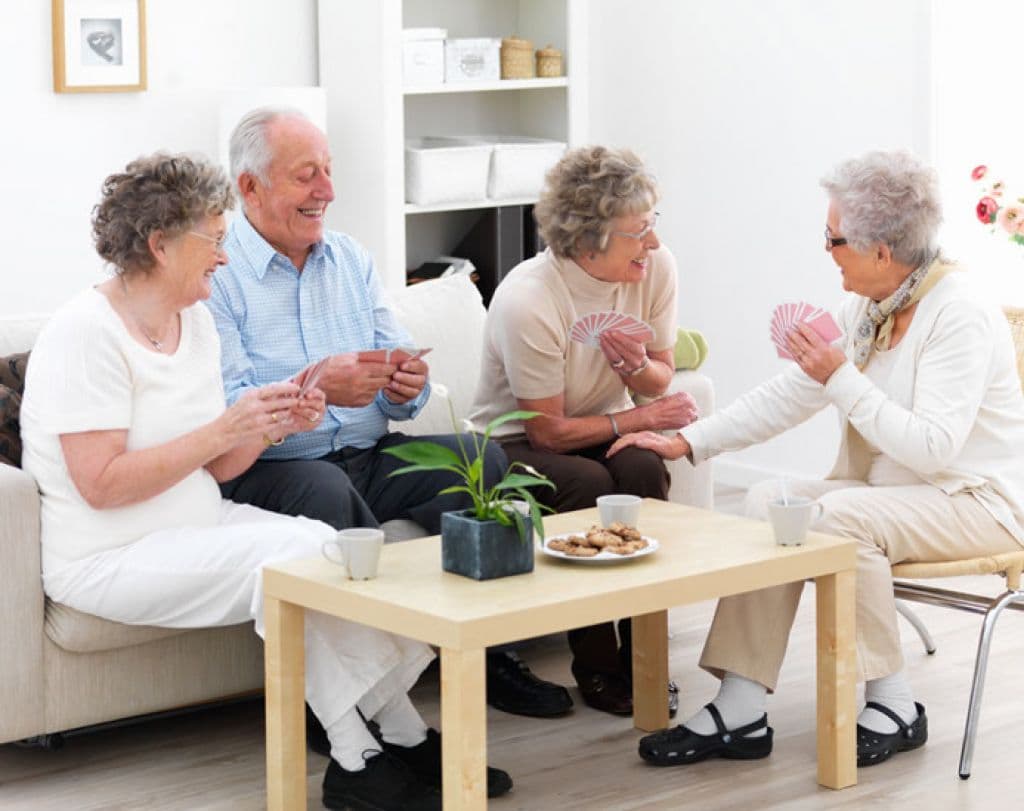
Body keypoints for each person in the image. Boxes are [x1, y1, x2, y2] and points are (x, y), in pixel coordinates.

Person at [19, 153, 511, 811]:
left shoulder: (192, 321)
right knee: (290, 558)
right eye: (214, 240)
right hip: (109, 554)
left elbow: (221, 469)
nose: (224, 258)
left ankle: (400, 729)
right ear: (161, 245)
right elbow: (102, 485)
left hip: (198, 523)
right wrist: (226, 429)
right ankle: (355, 757)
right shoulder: (84, 334)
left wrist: (273, 423)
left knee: (334, 550)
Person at [611, 150, 1024, 769]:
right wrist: (691, 441)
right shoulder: (869, 308)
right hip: (893, 496)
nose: (826, 250)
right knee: (764, 503)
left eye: (833, 240)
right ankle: (742, 705)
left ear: (882, 250)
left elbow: (933, 448)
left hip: (976, 500)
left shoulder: (958, 313)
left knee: (836, 517)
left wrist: (841, 378)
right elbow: (791, 393)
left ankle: (895, 701)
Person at [206, 106, 572, 720]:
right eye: (306, 175)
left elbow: (397, 372)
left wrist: (405, 384)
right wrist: (318, 385)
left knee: (481, 460)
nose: (327, 190)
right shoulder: (218, 275)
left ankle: (490, 655)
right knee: (325, 490)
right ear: (250, 187)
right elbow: (228, 404)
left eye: (328, 170)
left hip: (368, 456)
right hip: (274, 466)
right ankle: (357, 707)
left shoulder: (349, 258)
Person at [468, 145, 699, 715]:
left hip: (599, 421)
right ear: (589, 239)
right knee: (588, 483)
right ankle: (596, 665)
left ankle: (642, 658)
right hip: (513, 443)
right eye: (637, 232)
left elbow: (658, 378)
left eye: (653, 225)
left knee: (642, 466)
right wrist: (641, 417)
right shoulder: (531, 298)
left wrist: (635, 370)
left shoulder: (655, 268)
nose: (652, 243)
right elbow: (545, 432)